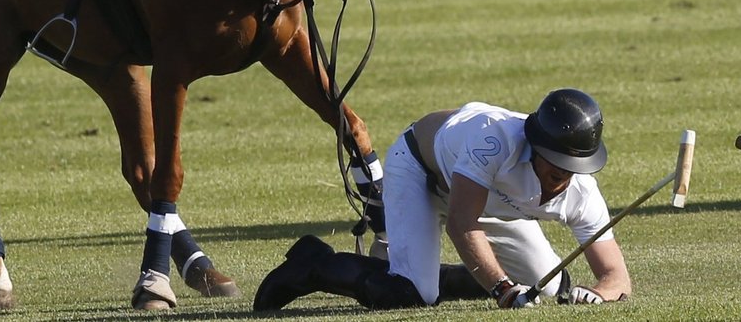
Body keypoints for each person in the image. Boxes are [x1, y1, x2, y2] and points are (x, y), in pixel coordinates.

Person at [254, 88, 632, 311]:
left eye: (573, 170)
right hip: (422, 171)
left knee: (547, 286)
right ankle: (314, 264)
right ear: (535, 148)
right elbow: (461, 222)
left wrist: (599, 294)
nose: (563, 181)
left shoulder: (581, 189)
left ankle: (425, 267)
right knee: (411, 293)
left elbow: (617, 277)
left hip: (491, 200)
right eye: (556, 170)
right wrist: (501, 288)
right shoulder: (493, 141)